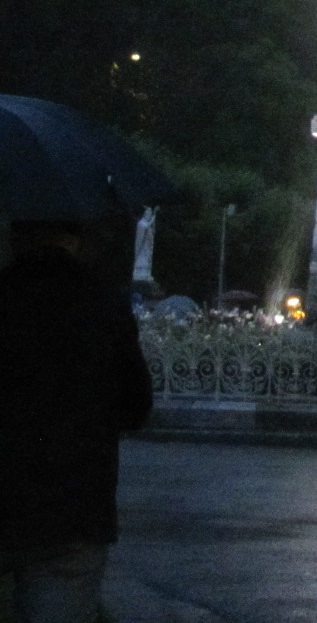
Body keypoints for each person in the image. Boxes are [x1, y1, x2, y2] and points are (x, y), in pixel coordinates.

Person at [1, 218, 153, 623]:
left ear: (16, 238)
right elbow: (136, 405)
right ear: (77, 241)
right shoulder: (103, 303)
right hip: (74, 504)